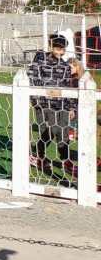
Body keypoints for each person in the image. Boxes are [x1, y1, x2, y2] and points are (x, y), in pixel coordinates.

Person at [28, 34, 81, 171]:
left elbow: (68, 87)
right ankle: (39, 157)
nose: (59, 51)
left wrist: (71, 108)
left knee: (63, 132)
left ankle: (66, 161)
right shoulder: (40, 60)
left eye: (62, 49)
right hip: (44, 104)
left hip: (61, 104)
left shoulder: (64, 66)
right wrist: (35, 101)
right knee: (49, 131)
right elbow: (33, 79)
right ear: (51, 47)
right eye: (57, 48)